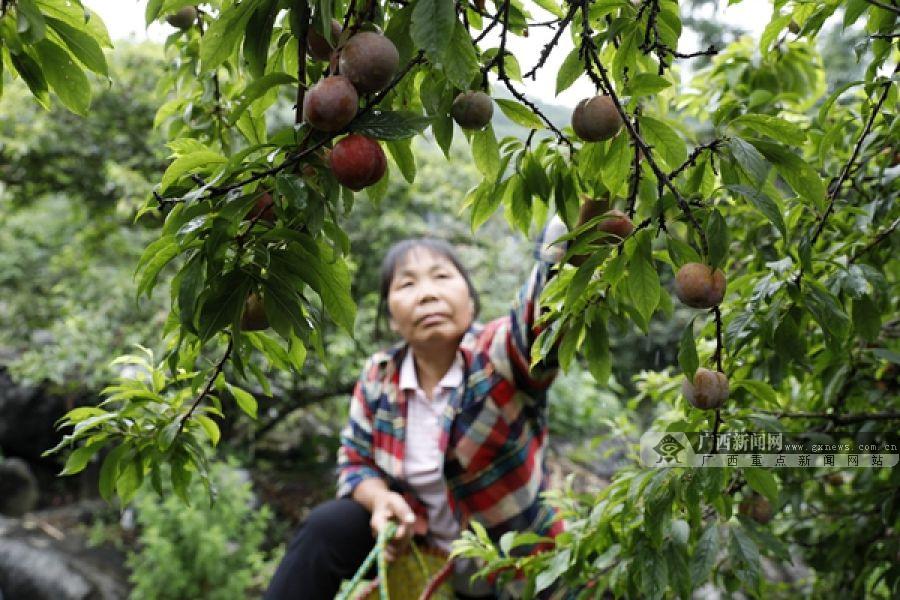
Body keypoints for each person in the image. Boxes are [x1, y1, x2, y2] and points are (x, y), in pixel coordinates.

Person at [265, 201, 607, 600]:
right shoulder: (380, 376)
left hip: (514, 570)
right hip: (423, 558)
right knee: (329, 525)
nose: (426, 294)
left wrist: (581, 220)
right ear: (392, 317)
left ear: (470, 301)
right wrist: (381, 501)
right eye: (407, 284)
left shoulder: (497, 358)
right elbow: (354, 461)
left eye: (441, 277)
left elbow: (542, 313)